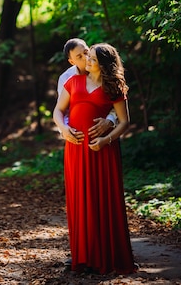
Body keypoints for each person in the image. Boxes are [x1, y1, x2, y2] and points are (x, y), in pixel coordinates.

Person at [53, 43, 137, 275]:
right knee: (81, 199)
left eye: (90, 59)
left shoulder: (114, 88)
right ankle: (83, 256)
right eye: (84, 58)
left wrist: (105, 140)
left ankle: (108, 255)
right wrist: (65, 131)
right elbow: (58, 111)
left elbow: (124, 122)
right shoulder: (71, 81)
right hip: (76, 149)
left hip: (103, 151)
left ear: (104, 65)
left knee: (103, 199)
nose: (86, 62)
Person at [58, 38, 117, 143]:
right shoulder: (66, 78)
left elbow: (117, 102)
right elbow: (62, 110)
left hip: (105, 135)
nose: (86, 58)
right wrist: (66, 130)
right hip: (77, 137)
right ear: (72, 62)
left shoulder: (104, 71)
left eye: (86, 52)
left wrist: (110, 120)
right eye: (79, 57)